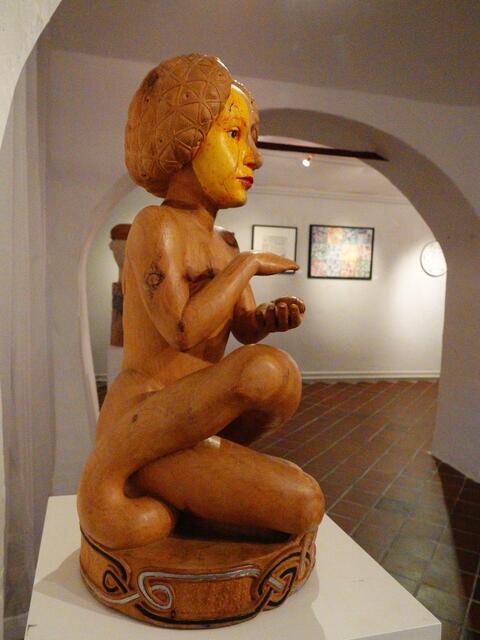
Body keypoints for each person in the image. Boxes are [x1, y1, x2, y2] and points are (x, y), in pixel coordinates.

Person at [78, 54, 324, 550]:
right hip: (145, 415)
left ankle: (184, 491)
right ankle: (140, 473)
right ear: (184, 140)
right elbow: (183, 329)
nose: (253, 157)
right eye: (234, 135)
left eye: (251, 139)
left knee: (282, 385)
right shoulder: (156, 225)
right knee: (301, 495)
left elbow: (244, 328)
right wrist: (248, 264)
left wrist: (268, 318)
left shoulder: (222, 246)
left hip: (198, 416)